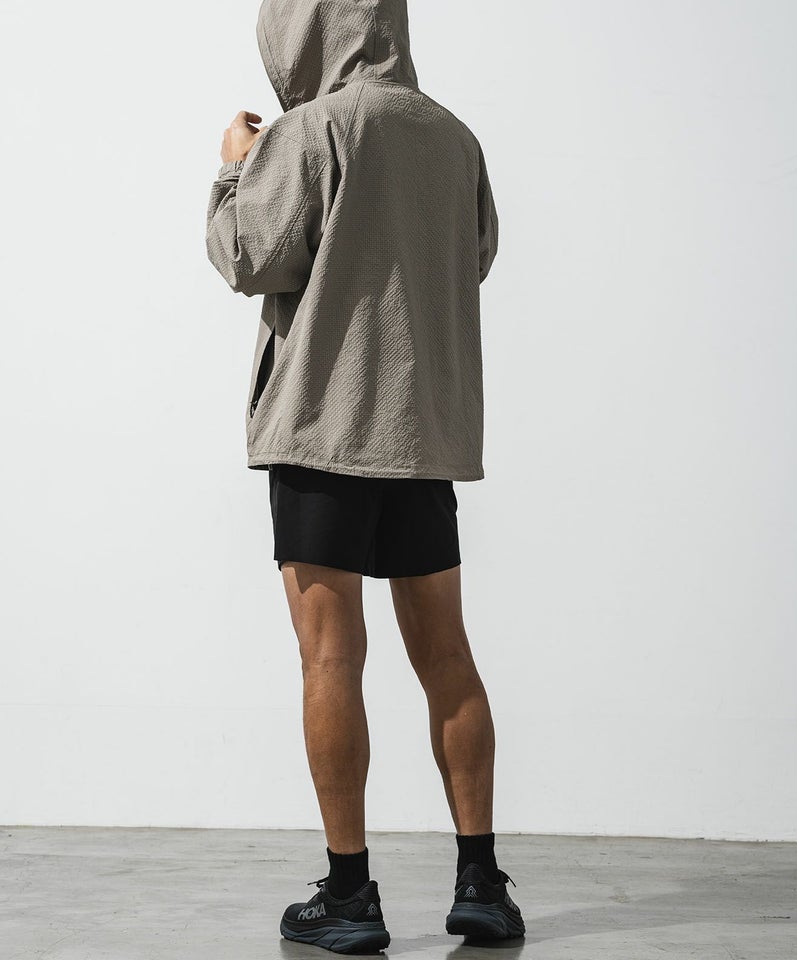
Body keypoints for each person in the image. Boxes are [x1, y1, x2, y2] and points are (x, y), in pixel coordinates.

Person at [206, 0, 524, 951]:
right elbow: (474, 257)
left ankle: (349, 896)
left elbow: (250, 255)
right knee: (448, 657)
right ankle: (482, 885)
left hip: (321, 433)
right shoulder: (455, 139)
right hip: (420, 435)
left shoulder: (310, 130)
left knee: (330, 658)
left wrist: (235, 169)